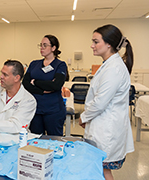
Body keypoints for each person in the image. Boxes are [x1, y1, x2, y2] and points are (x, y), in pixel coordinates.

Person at [79, 24, 134, 180]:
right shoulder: (110, 65)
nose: (92, 45)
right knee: (100, 169)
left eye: (96, 42)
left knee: (103, 170)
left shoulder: (114, 69)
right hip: (102, 125)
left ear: (109, 44)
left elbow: (100, 103)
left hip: (107, 129)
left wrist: (84, 117)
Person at [22, 35, 67, 136]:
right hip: (35, 109)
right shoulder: (34, 64)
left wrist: (35, 82)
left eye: (45, 45)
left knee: (54, 140)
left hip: (53, 110)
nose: (41, 48)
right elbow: (25, 84)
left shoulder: (60, 65)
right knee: (35, 139)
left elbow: (56, 85)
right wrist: (43, 90)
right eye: (41, 45)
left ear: (53, 48)